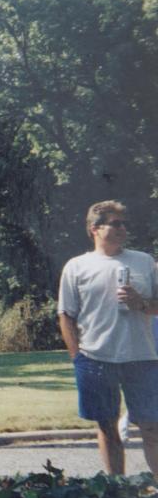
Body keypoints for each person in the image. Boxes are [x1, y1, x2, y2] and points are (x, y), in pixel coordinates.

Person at [58, 200, 158, 475]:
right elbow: (66, 315)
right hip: (96, 358)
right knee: (107, 426)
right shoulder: (77, 267)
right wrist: (77, 357)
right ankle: (118, 490)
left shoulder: (144, 261)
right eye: (116, 224)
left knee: (152, 427)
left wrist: (141, 303)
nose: (123, 229)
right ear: (95, 228)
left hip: (143, 358)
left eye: (124, 224)